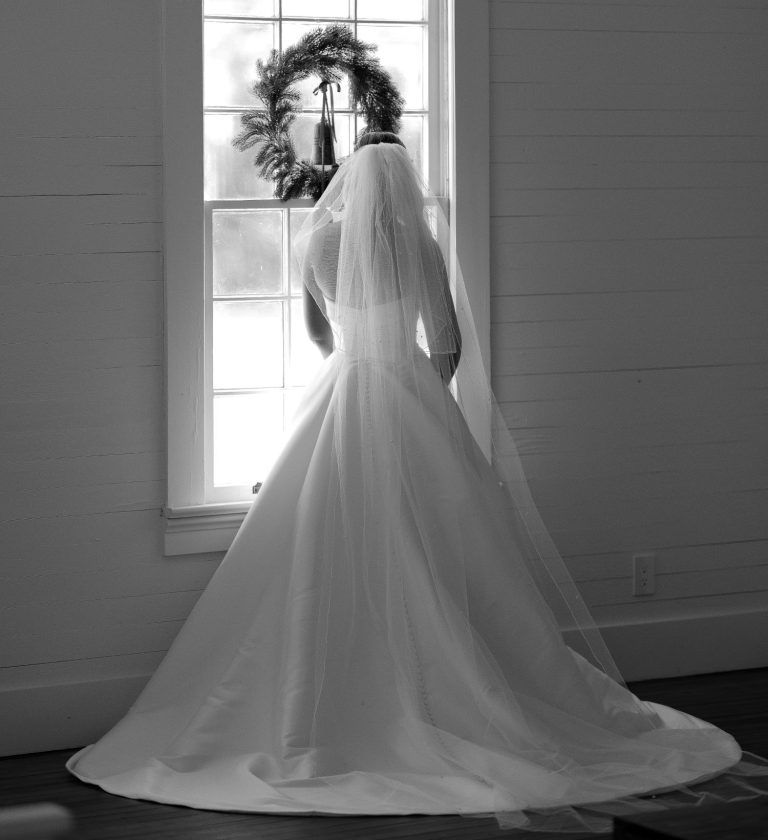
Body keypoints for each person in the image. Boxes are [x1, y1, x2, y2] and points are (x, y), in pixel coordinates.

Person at [66, 132, 766, 832]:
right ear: (401, 187)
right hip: (407, 393)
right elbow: (449, 341)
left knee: (318, 544)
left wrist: (356, 363)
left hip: (342, 394)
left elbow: (316, 332)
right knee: (442, 548)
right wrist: (418, 394)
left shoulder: (317, 245)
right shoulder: (421, 247)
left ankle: (326, 705)